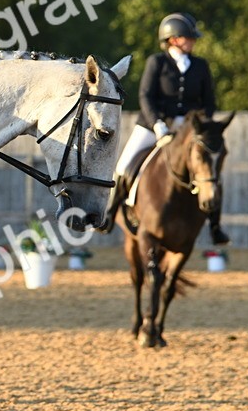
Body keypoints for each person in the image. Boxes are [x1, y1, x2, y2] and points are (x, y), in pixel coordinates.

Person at [98, 12, 229, 245]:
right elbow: (145, 96)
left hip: (188, 130)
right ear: (174, 39)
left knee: (210, 171)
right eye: (189, 37)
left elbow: (209, 102)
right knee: (124, 165)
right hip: (152, 125)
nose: (193, 41)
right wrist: (158, 123)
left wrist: (199, 126)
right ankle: (109, 215)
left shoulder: (200, 66)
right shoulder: (156, 63)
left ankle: (215, 227)